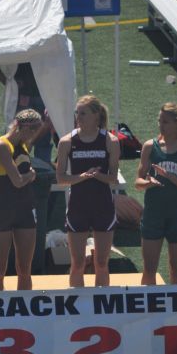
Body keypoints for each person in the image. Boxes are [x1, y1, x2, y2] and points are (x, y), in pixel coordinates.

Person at [56, 95, 120, 288]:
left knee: (101, 263)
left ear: (96, 116)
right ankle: (78, 311)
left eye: (83, 113)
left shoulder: (111, 141)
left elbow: (113, 178)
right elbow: (60, 179)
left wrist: (96, 176)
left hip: (102, 207)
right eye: (77, 113)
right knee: (77, 264)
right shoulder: (66, 142)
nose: (78, 117)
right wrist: (83, 177)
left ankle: (102, 307)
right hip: (78, 207)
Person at [135, 103, 177, 285]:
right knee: (149, 270)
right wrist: (147, 182)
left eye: (165, 122)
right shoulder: (150, 146)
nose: (160, 125)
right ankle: (148, 312)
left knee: (176, 268)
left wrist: (169, 176)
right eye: (159, 121)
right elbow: (137, 183)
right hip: (153, 214)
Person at [0, 109, 43, 291]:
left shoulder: (23, 144)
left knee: (25, 269)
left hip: (25, 210)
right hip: (3, 210)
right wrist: (31, 175)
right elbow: (18, 181)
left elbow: (21, 178)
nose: (33, 134)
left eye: (36, 130)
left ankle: (25, 314)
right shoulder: (1, 146)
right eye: (31, 130)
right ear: (18, 127)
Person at [0, 64, 55, 162]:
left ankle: (40, 170)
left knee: (27, 136)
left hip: (40, 94)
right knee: (19, 136)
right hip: (25, 94)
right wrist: (8, 83)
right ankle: (20, 165)